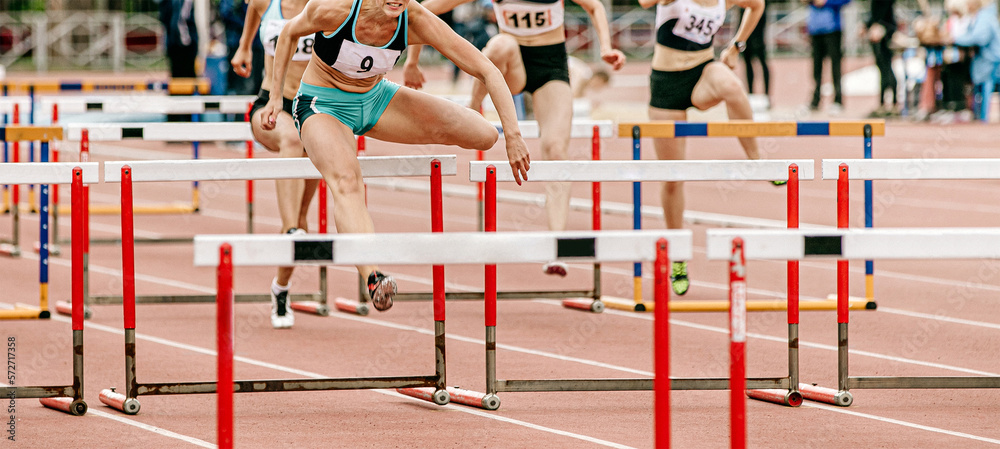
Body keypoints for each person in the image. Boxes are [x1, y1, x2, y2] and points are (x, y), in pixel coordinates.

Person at [260, 0, 532, 312]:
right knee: (347, 182)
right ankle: (373, 276)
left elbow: (487, 68)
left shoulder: (413, 18)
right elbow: (288, 34)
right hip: (323, 104)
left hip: (377, 99)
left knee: (484, 134)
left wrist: (513, 134)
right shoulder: (335, 9)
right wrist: (274, 98)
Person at [407, 0, 626, 277]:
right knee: (501, 44)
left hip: (550, 66)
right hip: (512, 67)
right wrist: (412, 62)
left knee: (556, 150)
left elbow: (594, 6)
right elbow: (423, 9)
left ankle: (555, 244)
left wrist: (605, 47)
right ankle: (474, 107)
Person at [639, 0, 765, 296]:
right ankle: (678, 257)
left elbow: (757, 5)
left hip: (702, 74)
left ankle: (756, 158)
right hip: (666, 84)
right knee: (672, 177)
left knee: (732, 86)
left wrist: (736, 46)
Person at [232, 0, 319, 328]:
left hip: (313, 110)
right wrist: (244, 48)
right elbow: (253, 12)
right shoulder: (266, 1)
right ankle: (293, 230)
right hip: (271, 105)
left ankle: (281, 287)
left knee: (301, 216)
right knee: (292, 140)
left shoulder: (325, 6)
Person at [950, 0, 1000, 119]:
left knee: (986, 87)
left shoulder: (985, 17)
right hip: (984, 60)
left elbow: (980, 38)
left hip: (992, 61)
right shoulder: (977, 17)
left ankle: (984, 118)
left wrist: (954, 39)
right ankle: (980, 117)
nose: (966, 5)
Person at [804, 0, 850, 115]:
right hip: (815, 29)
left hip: (832, 29)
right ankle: (815, 100)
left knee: (835, 66)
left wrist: (826, 2)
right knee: (816, 67)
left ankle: (838, 100)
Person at [159, 0, 199, 121]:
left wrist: (184, 41)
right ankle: (175, 119)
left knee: (187, 83)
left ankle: (188, 119)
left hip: (184, 44)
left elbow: (181, 18)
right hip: (176, 44)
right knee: (176, 83)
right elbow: (166, 17)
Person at [221, 0, 265, 97]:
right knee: (243, 88)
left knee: (256, 87)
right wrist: (245, 44)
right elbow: (226, 13)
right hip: (238, 44)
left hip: (258, 45)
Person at [863, 0, 899, 117]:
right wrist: (867, 25)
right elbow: (875, 12)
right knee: (882, 67)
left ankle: (893, 103)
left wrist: (879, 25)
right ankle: (883, 103)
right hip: (880, 28)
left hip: (884, 30)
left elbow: (884, 8)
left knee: (886, 67)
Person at [741, 2, 770, 107]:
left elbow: (761, 11)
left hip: (758, 33)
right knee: (748, 64)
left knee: (763, 63)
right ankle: (750, 94)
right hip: (745, 36)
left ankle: (767, 95)